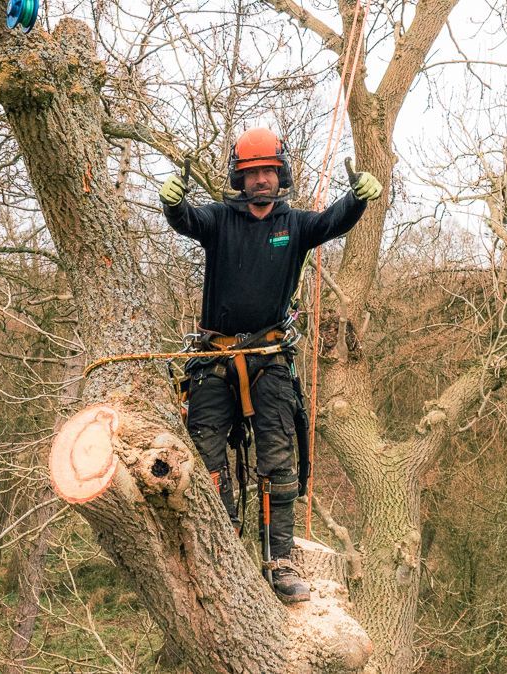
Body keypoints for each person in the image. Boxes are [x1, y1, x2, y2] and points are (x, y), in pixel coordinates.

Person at [159, 127, 381, 602]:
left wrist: (358, 199)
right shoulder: (219, 220)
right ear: (239, 179)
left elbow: (333, 221)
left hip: (270, 358)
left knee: (279, 459)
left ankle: (280, 561)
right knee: (205, 456)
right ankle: (221, 553)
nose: (260, 179)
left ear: (280, 173)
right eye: (251, 173)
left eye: (267, 171)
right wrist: (174, 205)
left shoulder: (295, 225)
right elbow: (188, 221)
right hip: (215, 359)